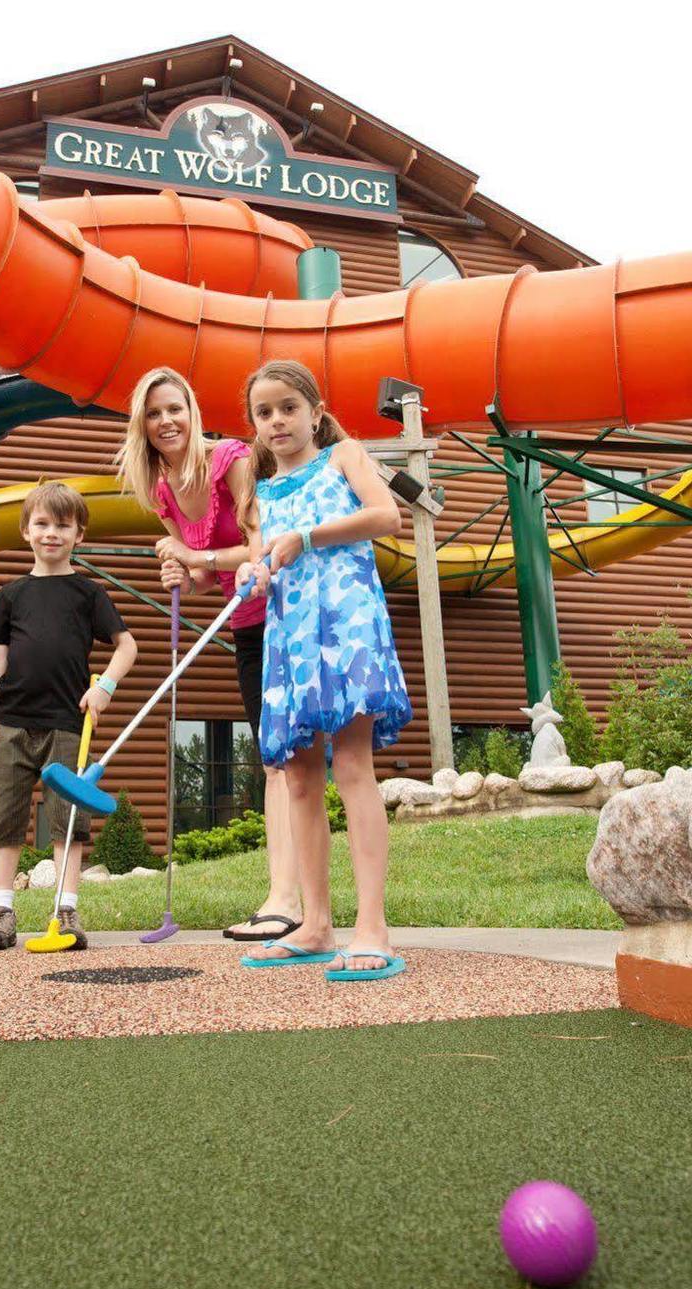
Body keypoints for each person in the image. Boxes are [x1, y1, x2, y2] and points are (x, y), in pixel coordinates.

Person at [114, 366, 303, 943]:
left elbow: (256, 545)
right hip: (246, 626)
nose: (166, 420)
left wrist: (195, 559)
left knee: (290, 758)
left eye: (175, 408)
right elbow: (201, 579)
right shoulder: (163, 491)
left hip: (287, 614)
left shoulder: (230, 460)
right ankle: (288, 899)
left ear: (192, 411)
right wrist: (180, 570)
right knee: (275, 757)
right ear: (141, 427)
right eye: (154, 413)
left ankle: (287, 899)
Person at [235, 360, 411, 981]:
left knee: (354, 765)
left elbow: (386, 515)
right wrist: (250, 571)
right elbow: (259, 561)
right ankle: (315, 924)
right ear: (254, 425)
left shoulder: (344, 457)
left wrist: (307, 537)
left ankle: (372, 926)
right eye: (264, 412)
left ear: (314, 410)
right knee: (301, 779)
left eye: (288, 407)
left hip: (347, 626)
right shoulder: (257, 494)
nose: (277, 420)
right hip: (291, 640)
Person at [0, 482, 138, 951]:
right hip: (12, 721)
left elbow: (127, 646)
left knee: (69, 818)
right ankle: (1, 911)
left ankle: (66, 910)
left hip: (68, 723)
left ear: (78, 534)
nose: (52, 533)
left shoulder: (87, 593)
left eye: (63, 525)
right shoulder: (11, 596)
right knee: (4, 816)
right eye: (42, 524)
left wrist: (103, 687)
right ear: (26, 530)